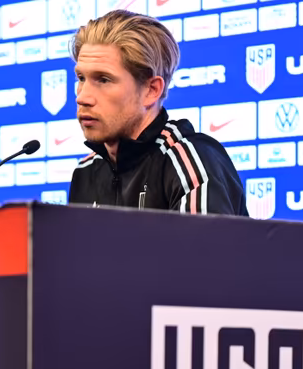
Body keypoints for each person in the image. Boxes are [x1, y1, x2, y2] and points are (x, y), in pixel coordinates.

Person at [68, 10, 248, 215]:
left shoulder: (189, 159)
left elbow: (203, 247)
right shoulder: (86, 171)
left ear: (151, 90)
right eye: (81, 78)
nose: (82, 97)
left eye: (103, 80)